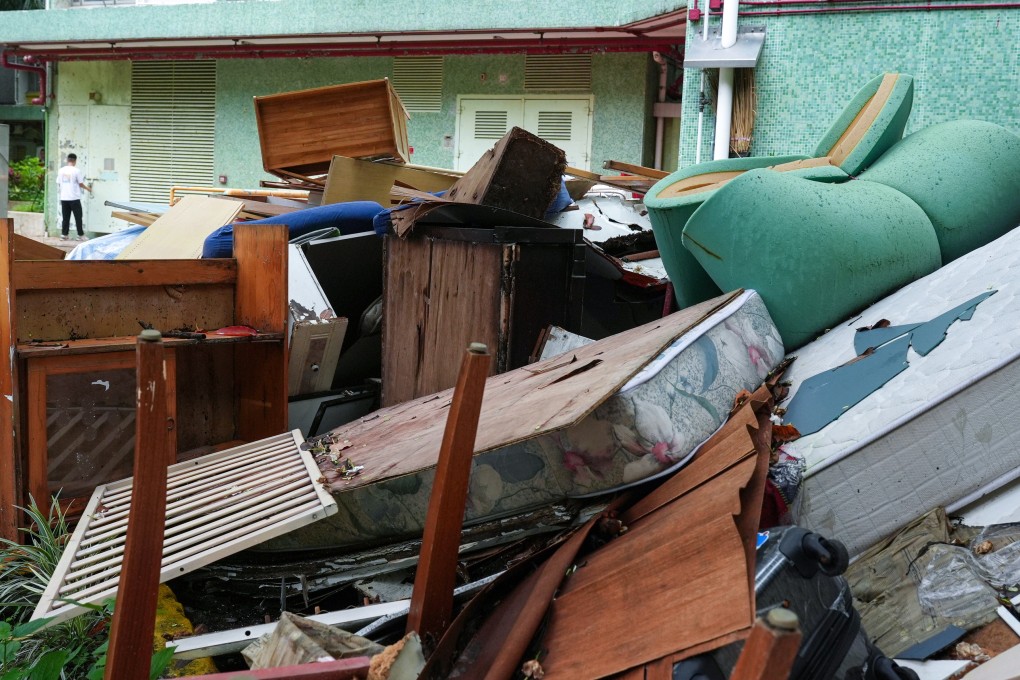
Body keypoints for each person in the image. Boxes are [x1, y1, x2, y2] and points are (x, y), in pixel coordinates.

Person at [56, 153, 92, 241]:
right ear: (75, 161)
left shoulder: (61, 170)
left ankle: (64, 235)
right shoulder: (76, 171)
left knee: (65, 217)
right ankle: (80, 235)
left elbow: (59, 183)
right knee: (78, 217)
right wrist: (88, 189)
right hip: (74, 198)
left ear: (67, 160)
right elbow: (80, 184)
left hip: (64, 198)